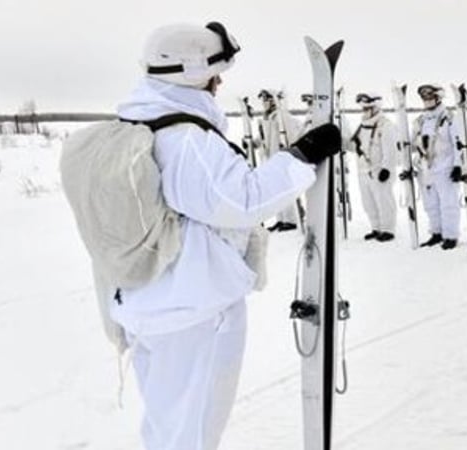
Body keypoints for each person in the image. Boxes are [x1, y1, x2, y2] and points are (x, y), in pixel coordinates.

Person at [111, 22, 340, 449]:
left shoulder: (138, 120)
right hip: (192, 309)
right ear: (193, 72)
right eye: (216, 72)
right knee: (192, 432)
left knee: (167, 425)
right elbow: (241, 201)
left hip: (148, 300)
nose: (220, 82)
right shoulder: (186, 140)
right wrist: (301, 155)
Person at [411, 84, 461, 250]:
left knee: (448, 203)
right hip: (426, 168)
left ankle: (450, 235)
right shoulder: (420, 120)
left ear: (438, 98)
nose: (427, 101)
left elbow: (458, 143)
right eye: (424, 98)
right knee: (430, 203)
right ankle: (436, 232)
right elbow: (413, 143)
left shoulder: (449, 118)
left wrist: (458, 165)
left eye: (430, 97)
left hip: (445, 166)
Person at [350, 92, 398, 242]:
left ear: (376, 107)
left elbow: (390, 150)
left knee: (384, 200)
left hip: (379, 171)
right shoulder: (362, 126)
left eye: (368, 108)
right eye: (363, 108)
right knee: (368, 202)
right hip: (363, 170)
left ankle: (388, 229)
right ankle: (376, 228)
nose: (365, 111)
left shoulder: (386, 125)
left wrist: (386, 168)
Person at [256, 88, 304, 232]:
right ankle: (281, 219)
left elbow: (292, 136)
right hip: (270, 160)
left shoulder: (283, 117)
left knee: (285, 190)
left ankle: (290, 220)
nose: (263, 103)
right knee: (275, 192)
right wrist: (252, 143)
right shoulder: (266, 118)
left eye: (266, 99)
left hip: (282, 159)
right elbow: (263, 138)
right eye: (262, 100)